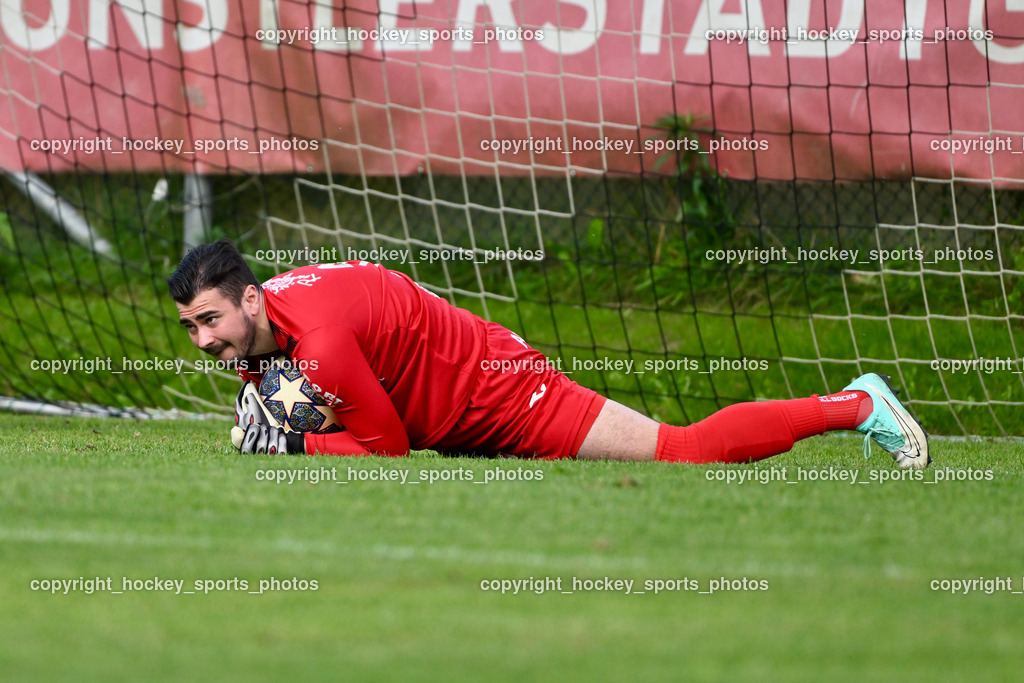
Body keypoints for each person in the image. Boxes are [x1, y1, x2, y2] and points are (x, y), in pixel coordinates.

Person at [168, 240, 930, 468]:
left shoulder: (322, 344)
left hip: (505, 394)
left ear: (253, 298)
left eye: (210, 320)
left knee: (682, 451)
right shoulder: (268, 320)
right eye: (191, 329)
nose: (205, 341)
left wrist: (300, 441)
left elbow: (389, 449)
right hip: (459, 394)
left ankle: (858, 403)